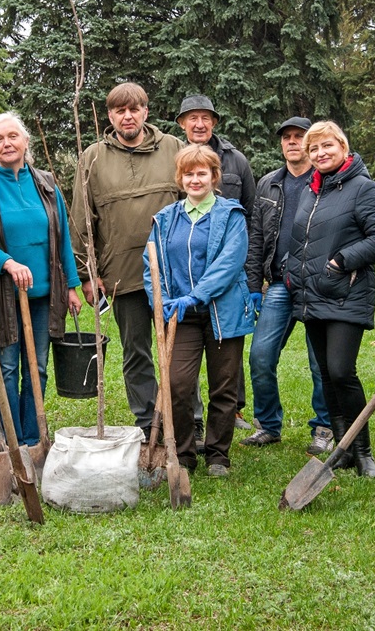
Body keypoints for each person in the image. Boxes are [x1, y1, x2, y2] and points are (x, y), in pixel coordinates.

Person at [284, 121, 375, 478]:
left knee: (341, 371)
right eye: (314, 148)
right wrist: (292, 271)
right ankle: (343, 450)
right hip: (312, 294)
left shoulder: (364, 188)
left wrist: (341, 261)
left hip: (346, 292)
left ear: (343, 147)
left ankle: (363, 452)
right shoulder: (310, 190)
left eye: (327, 146)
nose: (320, 153)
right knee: (326, 376)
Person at [71, 82, 183, 432]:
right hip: (122, 275)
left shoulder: (173, 148)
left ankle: (187, 423)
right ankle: (149, 424)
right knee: (137, 353)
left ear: (146, 111)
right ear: (110, 116)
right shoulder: (92, 157)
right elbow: (81, 218)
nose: (128, 116)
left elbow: (196, 203)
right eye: (120, 110)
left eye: (134, 109)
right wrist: (87, 274)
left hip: (174, 275)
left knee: (179, 354)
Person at [0, 113, 82, 445]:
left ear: (25, 141)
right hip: (2, 293)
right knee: (6, 367)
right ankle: (9, 438)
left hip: (44, 294)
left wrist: (72, 286)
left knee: (39, 367)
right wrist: (7, 263)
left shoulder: (45, 183)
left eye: (13, 136)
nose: (7, 143)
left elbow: (61, 238)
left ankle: (33, 437)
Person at [143, 145, 253, 477]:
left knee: (224, 385)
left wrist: (195, 295)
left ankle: (218, 454)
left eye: (201, 173)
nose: (195, 179)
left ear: (214, 177)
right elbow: (152, 266)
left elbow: (229, 264)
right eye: (188, 173)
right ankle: (185, 453)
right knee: (177, 384)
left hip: (223, 312)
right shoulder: (165, 219)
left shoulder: (231, 215)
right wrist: (159, 301)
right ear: (180, 178)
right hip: (181, 317)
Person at [241, 117, 331, 454]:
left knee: (319, 361)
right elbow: (257, 237)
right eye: (287, 137)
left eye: (299, 137)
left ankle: (324, 427)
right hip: (279, 285)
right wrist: (254, 284)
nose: (292, 142)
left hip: (319, 286)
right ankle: (268, 425)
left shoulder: (327, 180)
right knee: (261, 356)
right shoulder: (269, 184)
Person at [175, 93, 256, 433]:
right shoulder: (173, 157)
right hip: (183, 275)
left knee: (227, 352)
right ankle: (191, 419)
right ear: (182, 124)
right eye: (192, 117)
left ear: (214, 123)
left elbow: (251, 216)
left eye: (205, 117)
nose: (199, 123)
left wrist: (251, 279)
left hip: (227, 274)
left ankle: (231, 412)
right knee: (184, 361)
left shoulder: (237, 161)